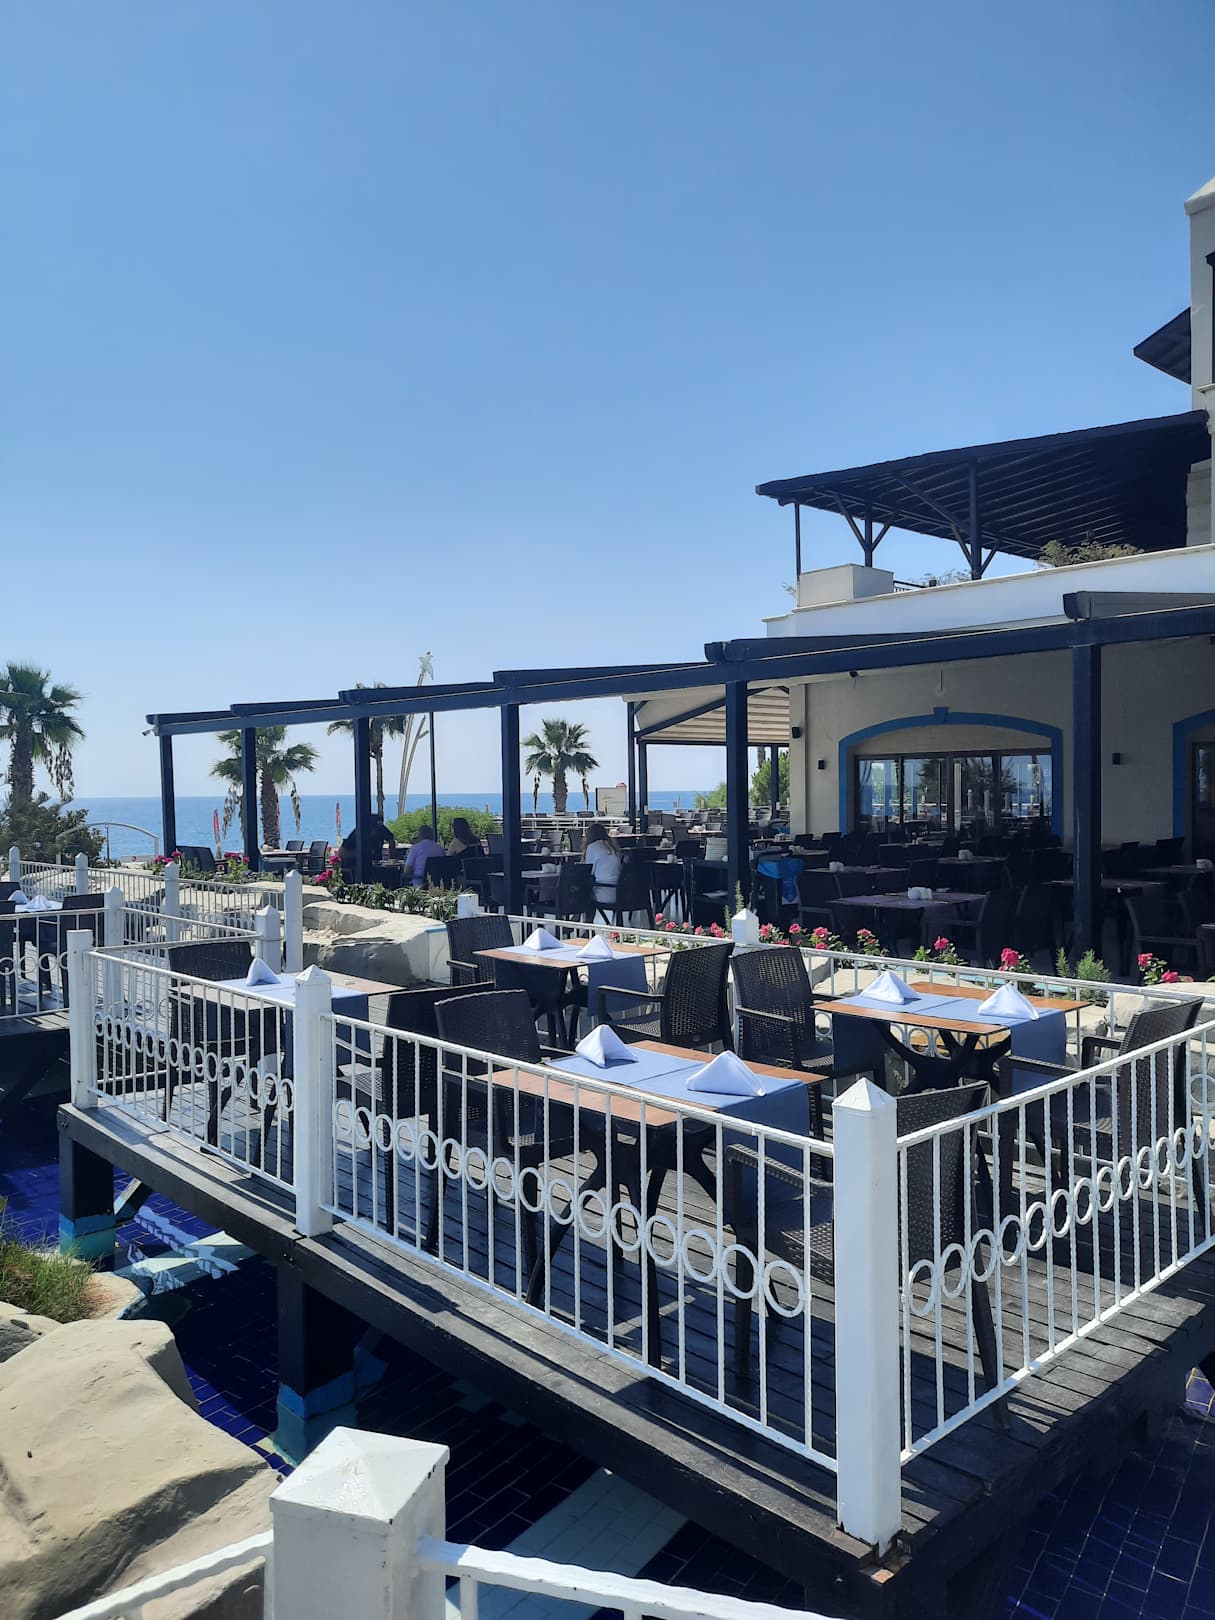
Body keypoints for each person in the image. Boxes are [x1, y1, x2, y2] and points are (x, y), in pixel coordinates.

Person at [582, 822, 621, 907]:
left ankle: (584, 915)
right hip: (618, 892)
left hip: (604, 891)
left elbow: (588, 871)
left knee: (583, 893)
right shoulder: (612, 847)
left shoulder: (592, 847)